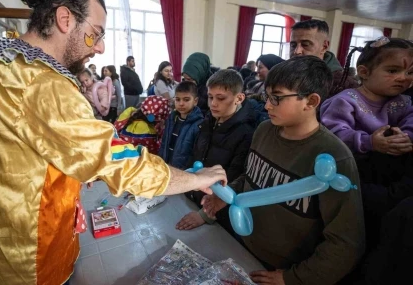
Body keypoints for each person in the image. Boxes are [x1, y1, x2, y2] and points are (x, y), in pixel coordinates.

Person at [0, 0, 227, 285]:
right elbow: (116, 160)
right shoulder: (40, 82)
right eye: (95, 35)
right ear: (65, 20)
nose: (99, 47)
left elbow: (28, 148)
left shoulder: (6, 63)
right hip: (28, 249)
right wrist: (194, 179)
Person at [203, 57, 365, 285]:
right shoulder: (264, 130)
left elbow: (346, 243)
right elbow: (251, 179)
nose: (267, 105)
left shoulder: (334, 157)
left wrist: (293, 278)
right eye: (267, 97)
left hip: (284, 270)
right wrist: (226, 197)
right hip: (244, 247)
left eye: (277, 98)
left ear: (311, 101)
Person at [320, 37, 413, 249]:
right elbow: (332, 135)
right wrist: (369, 141)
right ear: (363, 72)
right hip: (350, 175)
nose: (403, 78)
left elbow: (411, 121)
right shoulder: (345, 100)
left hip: (387, 180)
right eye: (392, 71)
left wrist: (406, 137)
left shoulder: (404, 101)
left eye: (409, 72)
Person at [176, 69, 257, 234]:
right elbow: (195, 157)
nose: (213, 103)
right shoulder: (208, 121)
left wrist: (205, 215)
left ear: (239, 98)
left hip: (216, 213)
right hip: (193, 197)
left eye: (220, 98)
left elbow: (234, 178)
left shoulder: (246, 133)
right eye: (211, 97)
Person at [290, 19, 359, 98]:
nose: (297, 51)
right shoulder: (286, 74)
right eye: (293, 45)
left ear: (324, 47)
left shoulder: (343, 85)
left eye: (305, 44)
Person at [159, 81, 203, 169]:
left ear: (195, 101)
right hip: (166, 167)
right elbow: (164, 143)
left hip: (184, 171)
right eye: (178, 99)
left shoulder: (199, 124)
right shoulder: (171, 119)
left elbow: (196, 154)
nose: (181, 103)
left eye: (186, 100)